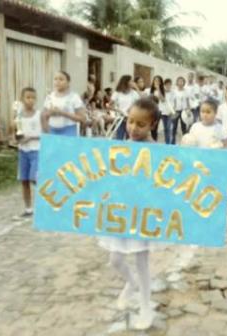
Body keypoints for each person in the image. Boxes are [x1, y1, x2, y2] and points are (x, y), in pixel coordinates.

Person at [97, 98, 162, 330]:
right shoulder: (121, 145)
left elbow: (161, 185)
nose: (133, 128)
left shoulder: (156, 151)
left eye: (140, 124)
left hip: (142, 214)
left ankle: (146, 307)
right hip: (119, 213)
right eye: (130, 122)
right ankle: (130, 284)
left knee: (142, 261)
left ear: (152, 125)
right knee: (114, 259)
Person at [11, 87, 41, 219]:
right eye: (28, 97)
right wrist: (15, 139)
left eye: (33, 98)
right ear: (22, 99)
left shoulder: (39, 115)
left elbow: (44, 134)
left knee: (35, 179)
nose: (30, 100)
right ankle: (28, 209)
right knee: (24, 181)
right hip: (23, 151)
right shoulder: (18, 117)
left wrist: (31, 137)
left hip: (36, 150)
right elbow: (16, 133)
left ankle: (49, 203)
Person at [41, 71, 87, 136]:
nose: (58, 82)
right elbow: (43, 116)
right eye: (55, 79)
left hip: (68, 131)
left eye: (61, 79)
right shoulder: (49, 97)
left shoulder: (74, 97)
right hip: (51, 130)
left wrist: (63, 113)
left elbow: (82, 118)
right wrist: (50, 113)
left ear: (68, 82)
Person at [108, 75, 140, 140]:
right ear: (126, 82)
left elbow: (140, 103)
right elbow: (109, 106)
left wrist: (137, 88)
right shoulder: (117, 93)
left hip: (131, 118)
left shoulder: (134, 93)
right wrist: (119, 111)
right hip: (121, 118)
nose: (133, 83)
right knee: (119, 137)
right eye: (131, 81)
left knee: (130, 138)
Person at [148, 75, 170, 143]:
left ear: (160, 82)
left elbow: (163, 100)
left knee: (154, 128)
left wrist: (158, 89)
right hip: (150, 110)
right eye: (155, 80)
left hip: (158, 111)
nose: (156, 82)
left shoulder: (162, 90)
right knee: (149, 128)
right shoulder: (149, 90)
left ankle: (154, 142)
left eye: (158, 81)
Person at [170, 77, 190, 143]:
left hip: (184, 111)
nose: (180, 83)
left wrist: (188, 110)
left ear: (184, 83)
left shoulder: (186, 91)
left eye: (182, 81)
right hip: (176, 111)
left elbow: (187, 102)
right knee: (174, 128)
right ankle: (172, 144)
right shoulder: (174, 91)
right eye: (179, 81)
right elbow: (173, 102)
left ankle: (185, 143)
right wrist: (173, 111)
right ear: (177, 82)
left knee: (184, 128)